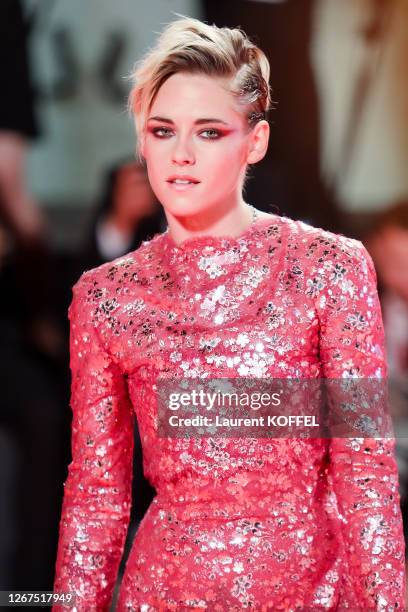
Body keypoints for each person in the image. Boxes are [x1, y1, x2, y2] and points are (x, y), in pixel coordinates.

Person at [52, 15, 406, 611]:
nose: (181, 155)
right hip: (160, 592)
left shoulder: (329, 269)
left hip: (312, 592)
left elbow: (365, 473)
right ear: (142, 141)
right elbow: (96, 495)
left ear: (256, 141)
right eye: (163, 131)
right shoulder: (105, 296)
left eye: (210, 132)